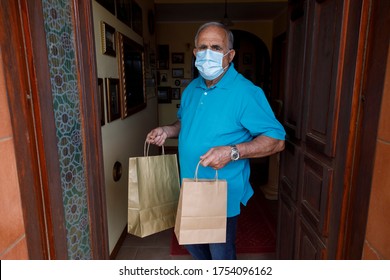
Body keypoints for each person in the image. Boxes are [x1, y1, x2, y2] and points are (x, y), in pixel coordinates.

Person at [146, 22, 285, 260]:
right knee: (191, 243)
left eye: (216, 47)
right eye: (203, 46)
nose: (208, 52)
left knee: (219, 254)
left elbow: (276, 139)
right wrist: (168, 130)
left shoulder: (246, 92)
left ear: (230, 55)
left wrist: (232, 152)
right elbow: (184, 123)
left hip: (221, 192)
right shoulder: (191, 89)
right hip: (190, 184)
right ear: (195, 53)